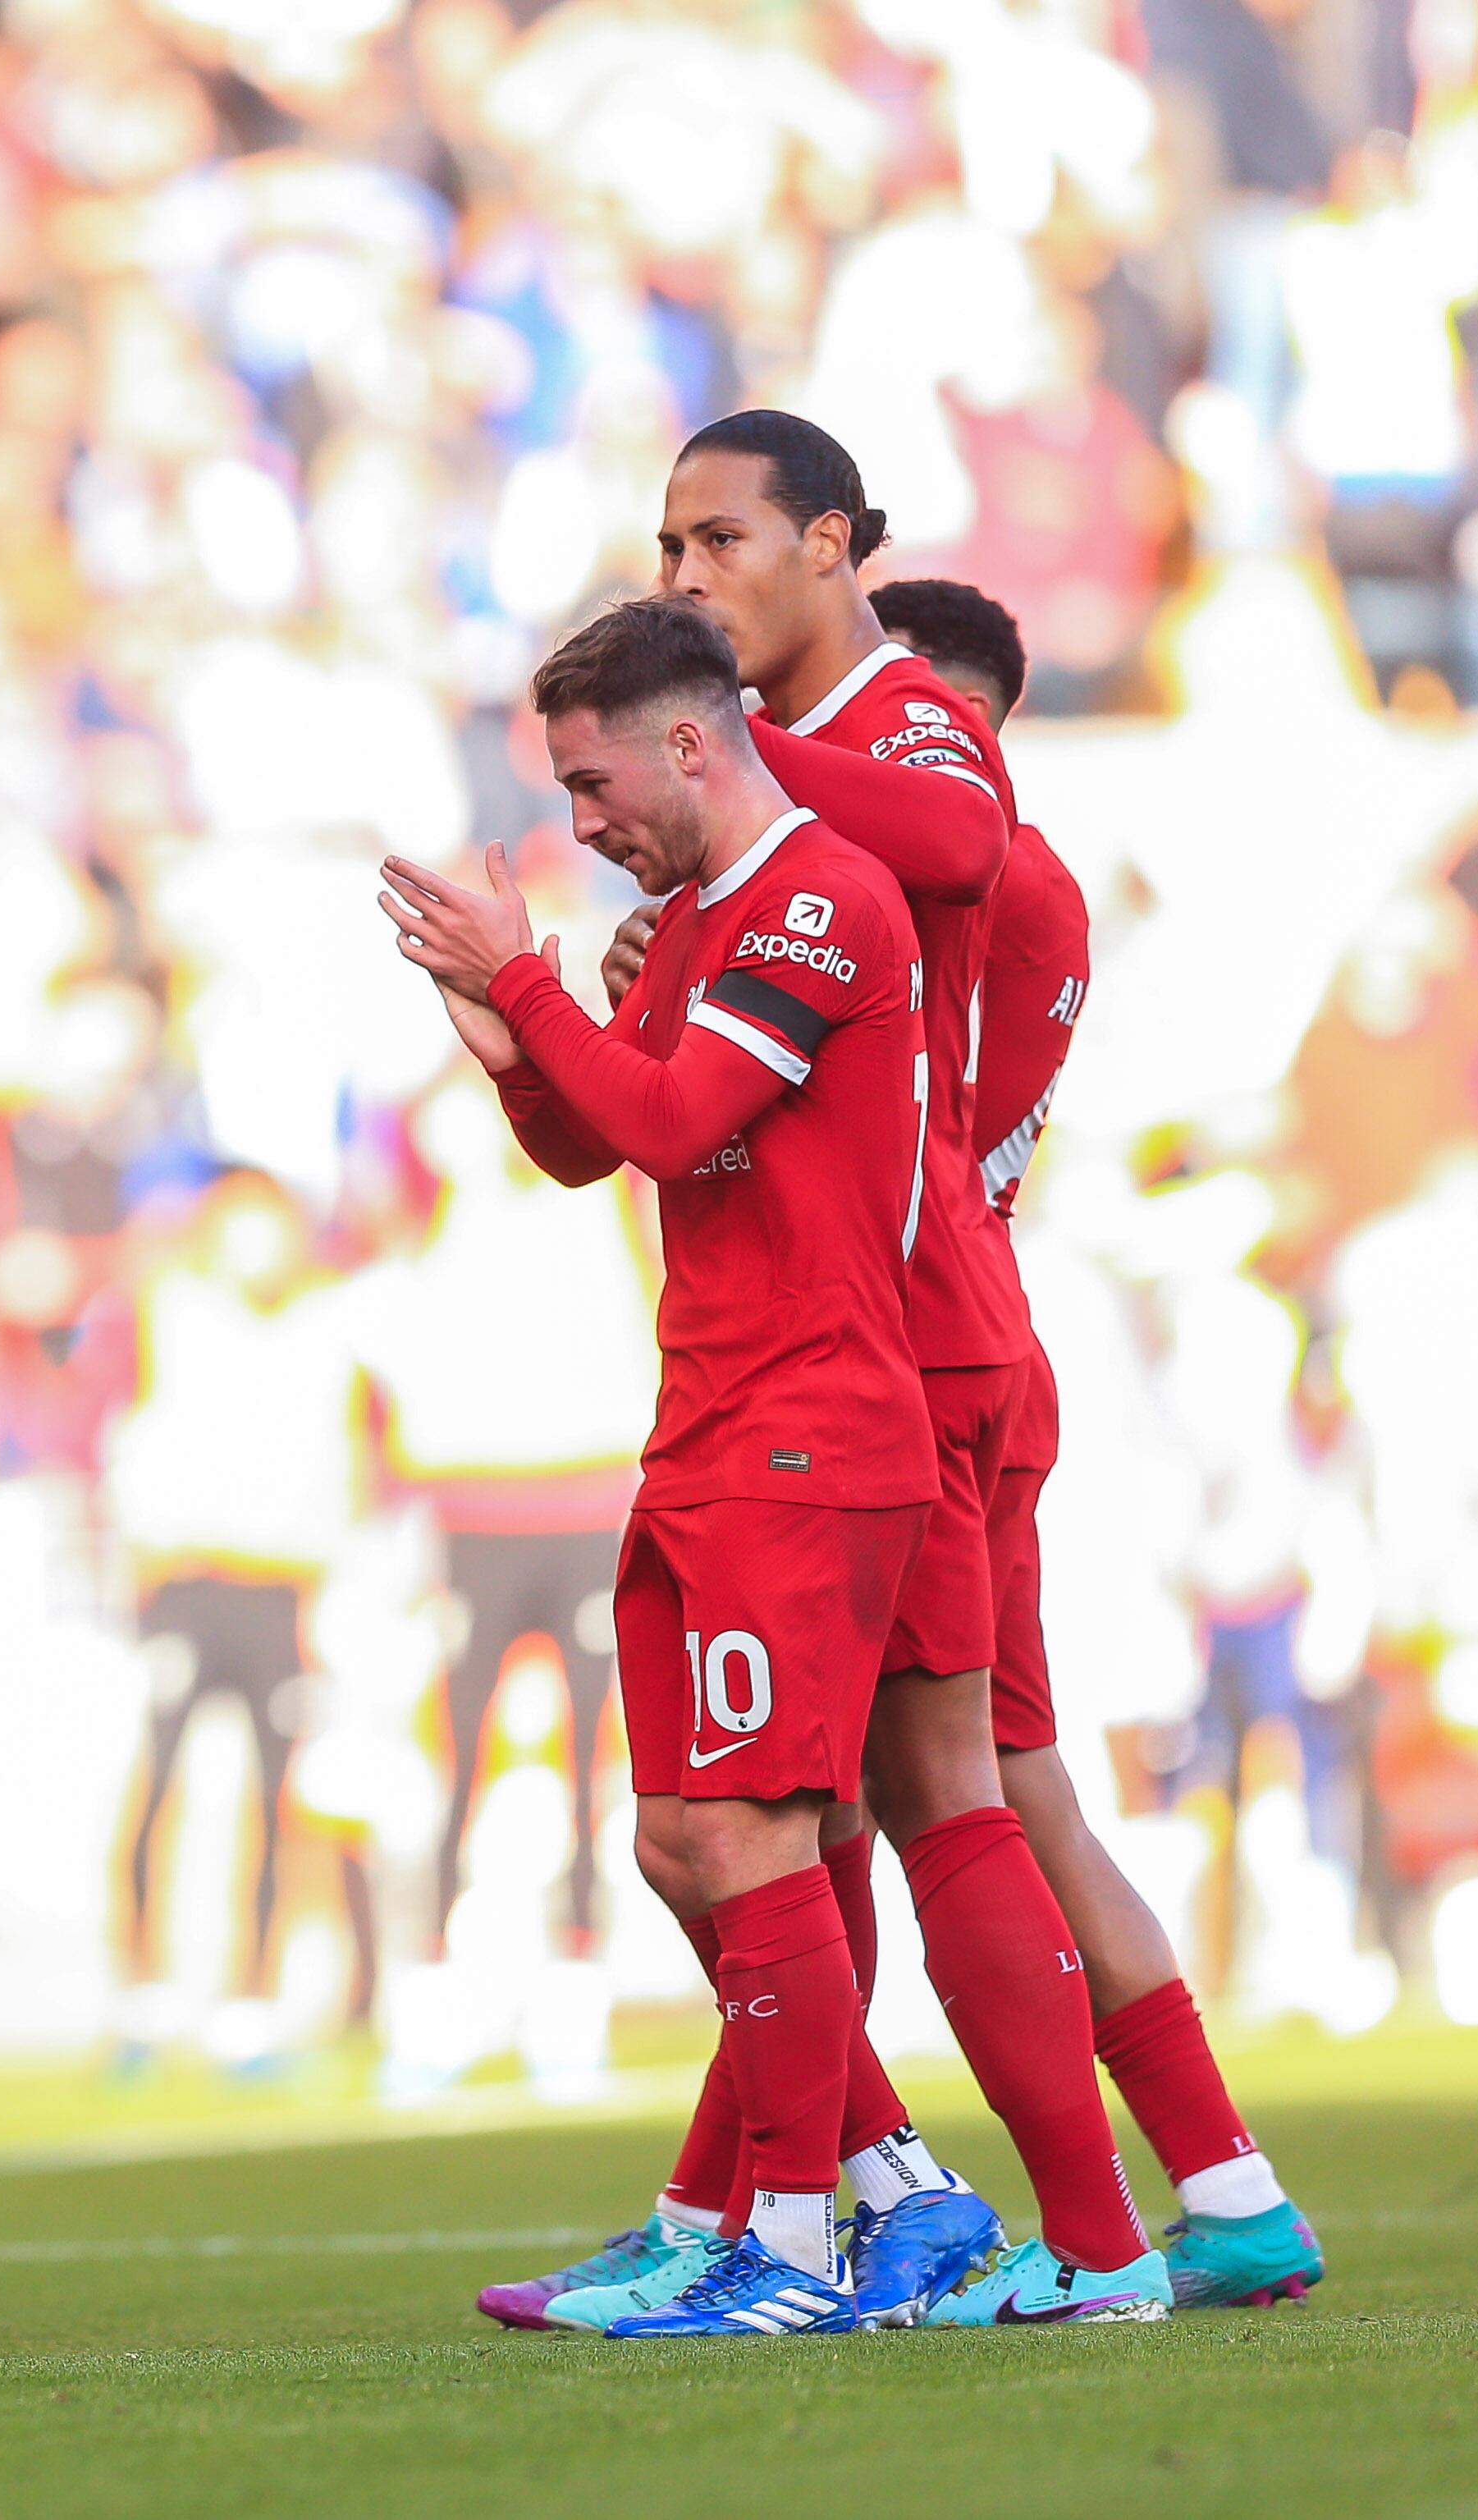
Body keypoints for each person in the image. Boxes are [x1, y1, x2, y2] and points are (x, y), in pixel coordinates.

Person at [499, 415, 1167, 2332]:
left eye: (717, 544)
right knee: (854, 1804)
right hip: (864, 1328)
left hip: (872, 1340)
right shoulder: (753, 837)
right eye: (666, 548)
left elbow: (963, 843)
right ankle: (1030, 2217)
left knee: (812, 1811)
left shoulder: (884, 737)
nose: (687, 574)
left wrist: (718, 739)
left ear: (829, 545)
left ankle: (828, 2216)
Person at [377, 595, 936, 2339]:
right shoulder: (692, 916)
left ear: (691, 741)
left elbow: (682, 1119)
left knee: (753, 1832)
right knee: (681, 1841)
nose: (584, 821)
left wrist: (534, 974)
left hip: (807, 1421)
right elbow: (589, 1137)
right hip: (707, 1422)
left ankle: (784, 2238)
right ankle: (883, 2197)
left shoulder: (823, 897)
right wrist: (496, 1016)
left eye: (595, 780)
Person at [870, 574, 1327, 2308]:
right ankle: (1221, 2178)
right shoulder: (1037, 880)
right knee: (1009, 1787)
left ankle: (906, 2212)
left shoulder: (918, 868)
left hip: (896, 1354)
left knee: (821, 1811)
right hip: (990, 1326)